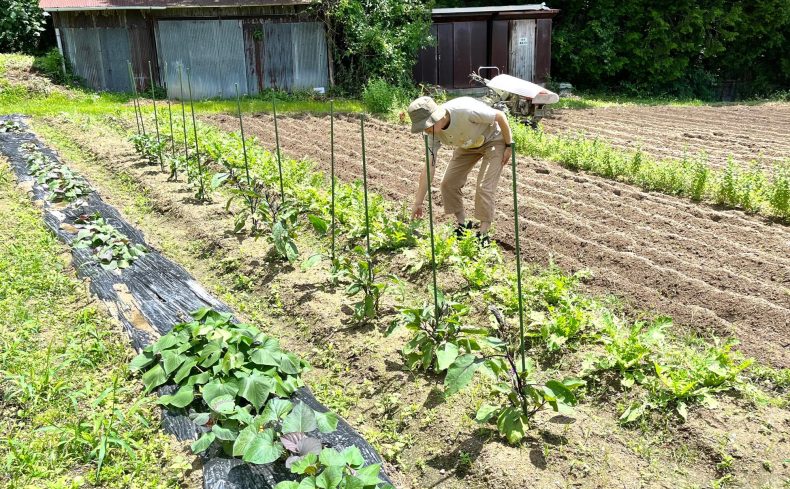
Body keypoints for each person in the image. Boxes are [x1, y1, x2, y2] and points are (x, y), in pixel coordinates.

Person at [407, 96, 513, 243]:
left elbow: (500, 116)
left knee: (484, 186)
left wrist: (509, 145)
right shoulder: (432, 134)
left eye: (426, 125)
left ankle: (483, 235)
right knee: (448, 183)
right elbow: (429, 166)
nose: (425, 130)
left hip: (493, 139)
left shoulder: (465, 111)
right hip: (468, 145)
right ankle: (463, 224)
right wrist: (418, 202)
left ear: (438, 117)